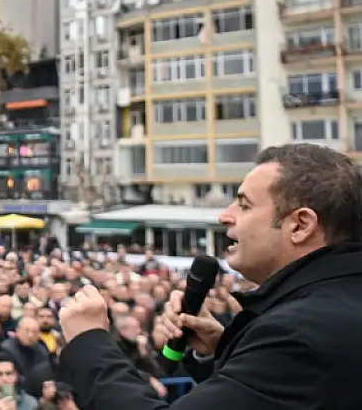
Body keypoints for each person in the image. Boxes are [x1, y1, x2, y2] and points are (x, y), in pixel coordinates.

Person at [58, 143, 362, 409]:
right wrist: (225, 347)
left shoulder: (298, 334)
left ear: (300, 225)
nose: (225, 215)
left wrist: (89, 343)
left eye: (244, 205)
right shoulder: (337, 304)